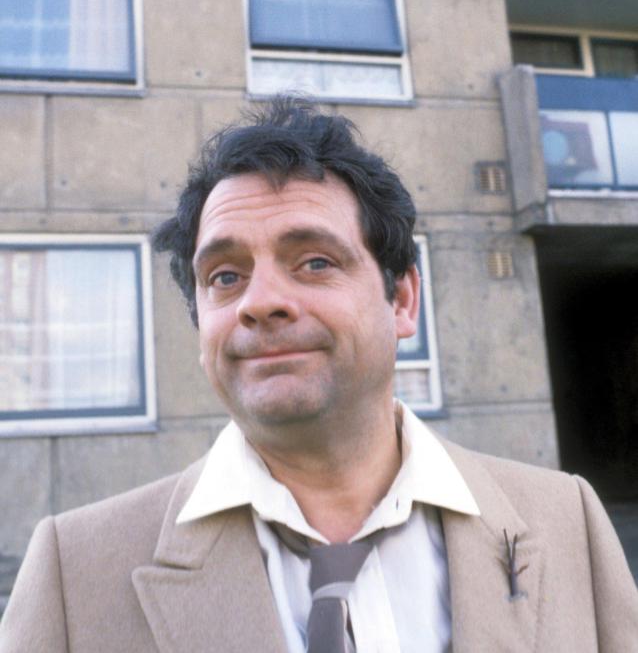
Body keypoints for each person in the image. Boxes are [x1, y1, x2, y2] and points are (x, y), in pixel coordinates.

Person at [1, 98, 637, 653]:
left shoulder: (564, 520)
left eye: (312, 262)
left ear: (403, 300)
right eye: (225, 276)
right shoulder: (72, 570)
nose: (259, 301)